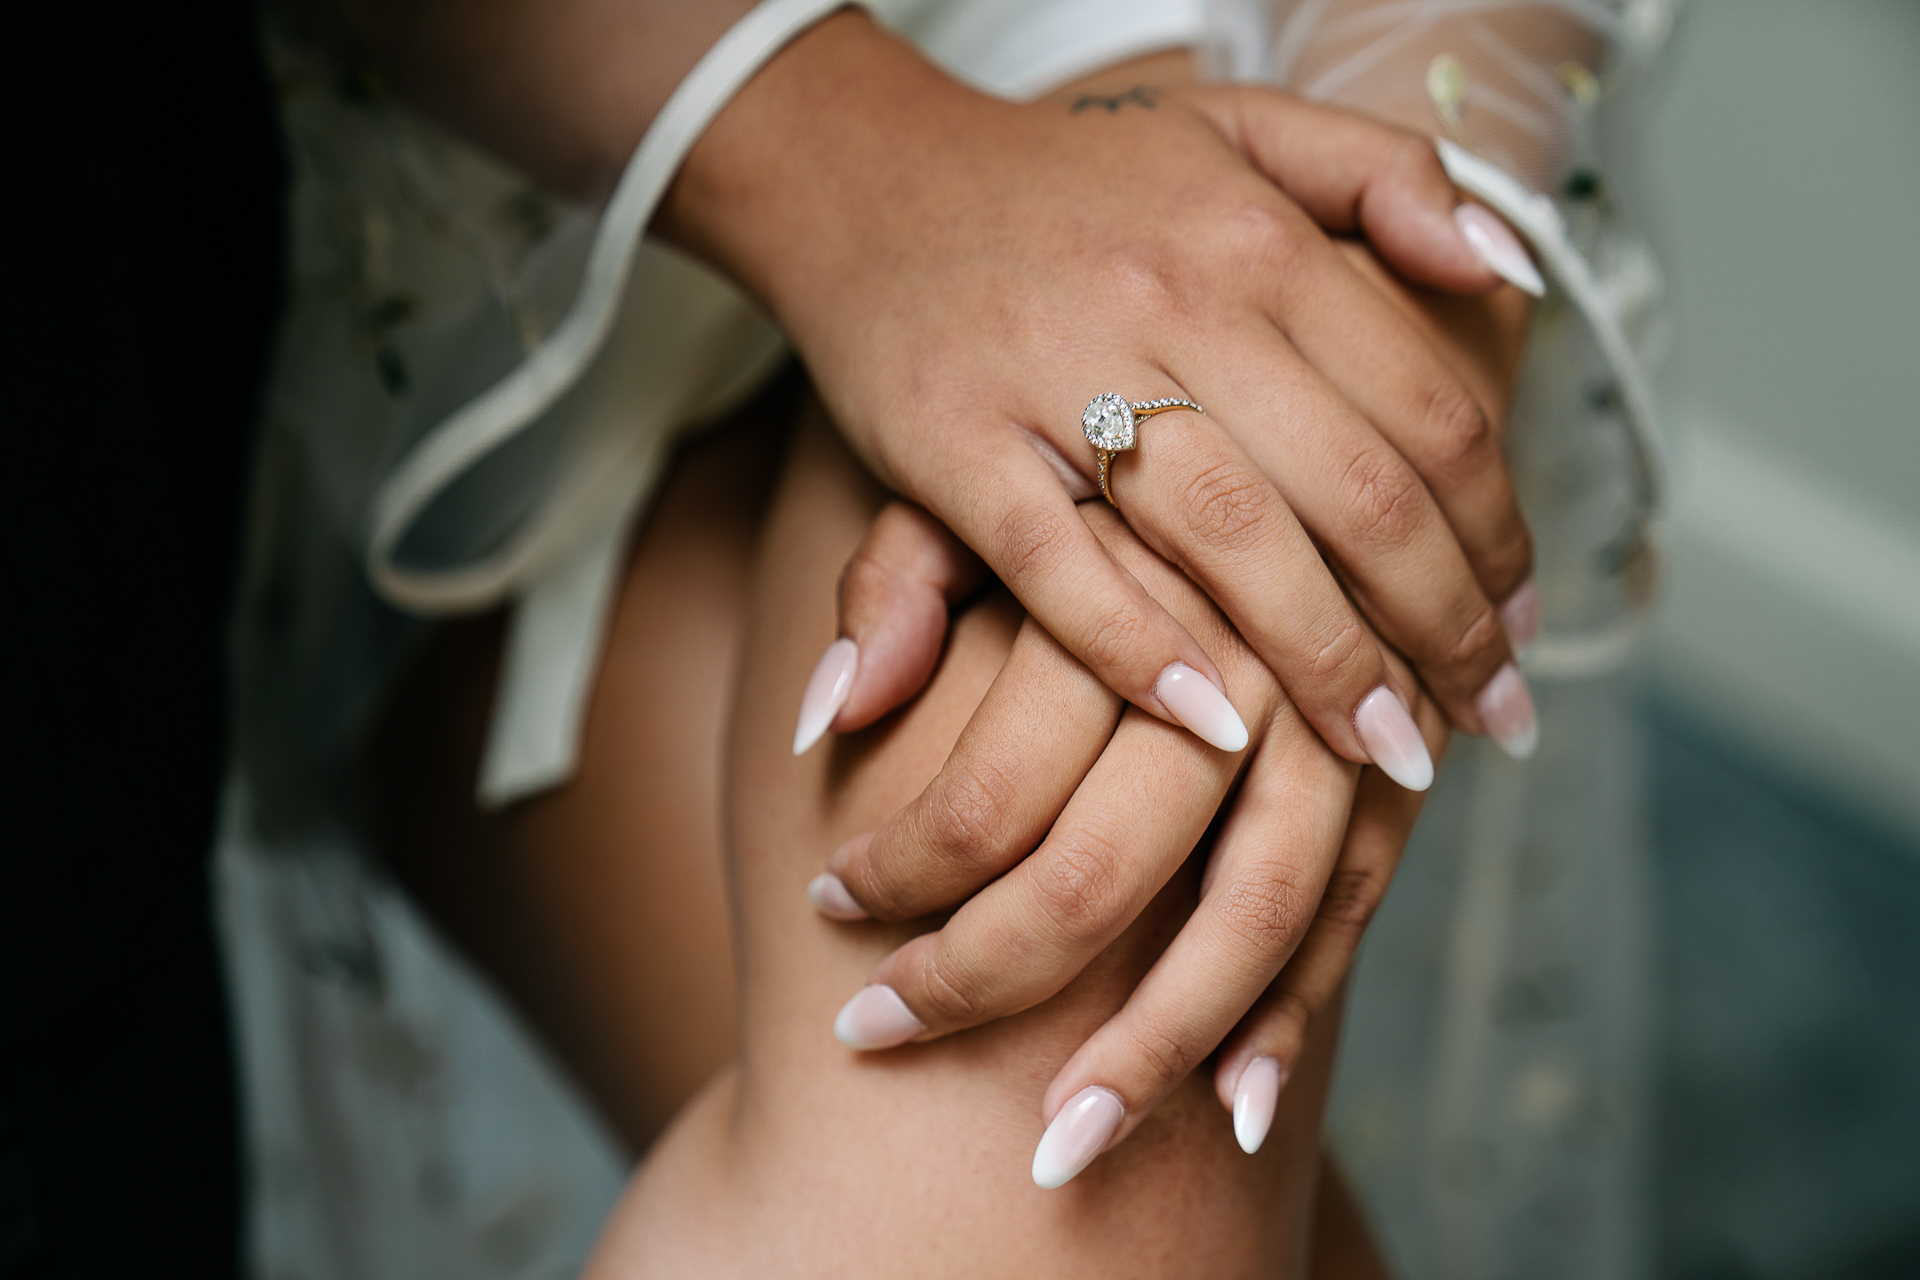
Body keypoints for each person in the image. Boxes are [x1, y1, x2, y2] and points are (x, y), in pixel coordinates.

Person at [226, 0, 1665, 1274]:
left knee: (1104, 978)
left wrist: (1369, 304)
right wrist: (848, 169)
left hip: (1129, 61)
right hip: (506, 176)